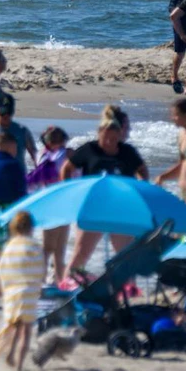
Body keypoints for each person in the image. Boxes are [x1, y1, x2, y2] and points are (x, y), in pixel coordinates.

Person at [62, 106, 149, 277]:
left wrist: (138, 192)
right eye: (106, 138)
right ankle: (66, 287)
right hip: (93, 209)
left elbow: (143, 171)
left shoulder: (127, 152)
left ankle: (128, 294)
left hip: (120, 210)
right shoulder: (89, 150)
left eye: (113, 139)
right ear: (99, 133)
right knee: (81, 254)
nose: (109, 142)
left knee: (125, 256)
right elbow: (67, 169)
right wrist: (73, 193)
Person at [0, 211, 44, 371]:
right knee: (26, 331)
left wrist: (4, 288)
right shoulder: (35, 246)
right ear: (31, 228)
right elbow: (39, 269)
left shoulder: (9, 246)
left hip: (13, 291)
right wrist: (38, 286)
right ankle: (20, 365)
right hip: (28, 291)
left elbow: (2, 269)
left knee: (15, 325)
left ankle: (10, 354)